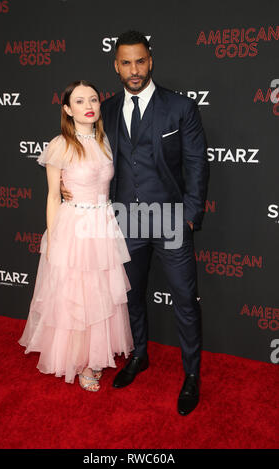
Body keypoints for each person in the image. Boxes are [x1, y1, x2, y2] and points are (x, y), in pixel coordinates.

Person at [62, 31, 209, 415]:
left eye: (140, 61)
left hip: (171, 220)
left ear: (150, 61)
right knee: (130, 297)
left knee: (184, 302)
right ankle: (139, 355)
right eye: (126, 63)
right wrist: (67, 186)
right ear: (116, 65)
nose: (134, 70)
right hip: (124, 220)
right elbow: (83, 151)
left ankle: (191, 375)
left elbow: (196, 164)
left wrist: (190, 215)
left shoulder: (180, 107)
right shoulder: (105, 110)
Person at [19, 80, 133, 392]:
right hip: (74, 225)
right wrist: (53, 238)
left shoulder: (105, 141)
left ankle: (95, 356)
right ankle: (80, 361)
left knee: (100, 291)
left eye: (93, 99)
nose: (89, 106)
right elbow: (53, 197)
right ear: (68, 109)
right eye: (80, 101)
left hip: (102, 224)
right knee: (76, 294)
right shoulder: (60, 145)